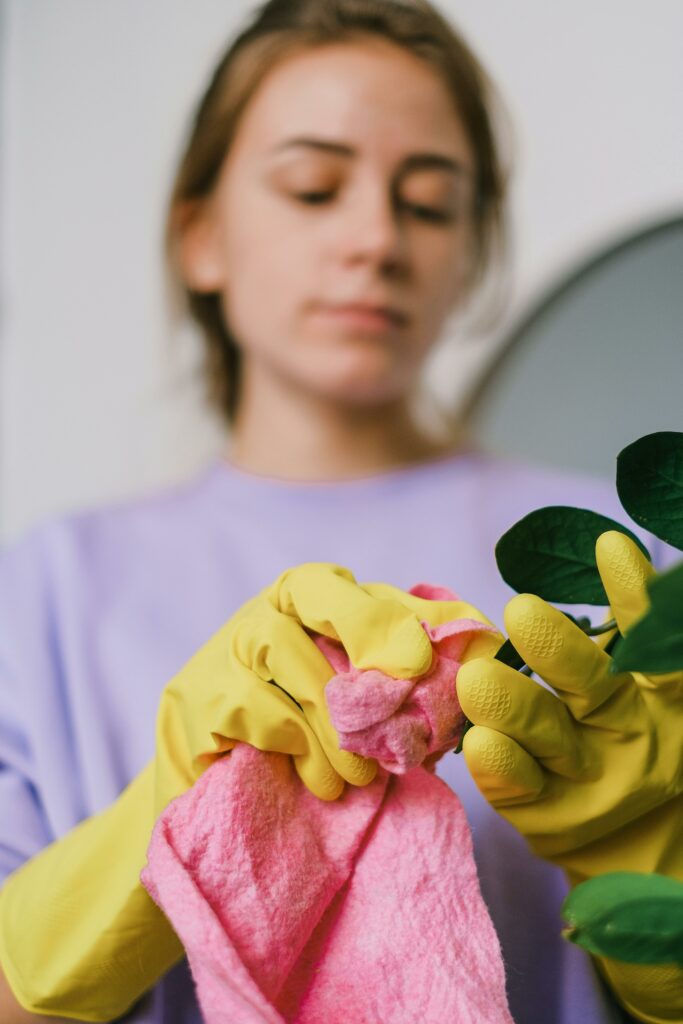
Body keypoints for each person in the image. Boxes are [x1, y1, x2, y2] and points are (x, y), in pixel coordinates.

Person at [0, 2, 680, 1022]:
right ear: (201, 236)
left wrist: (659, 904)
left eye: (430, 203)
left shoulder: (625, 563)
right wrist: (156, 830)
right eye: (312, 188)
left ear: (469, 253)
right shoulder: (43, 590)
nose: (374, 238)